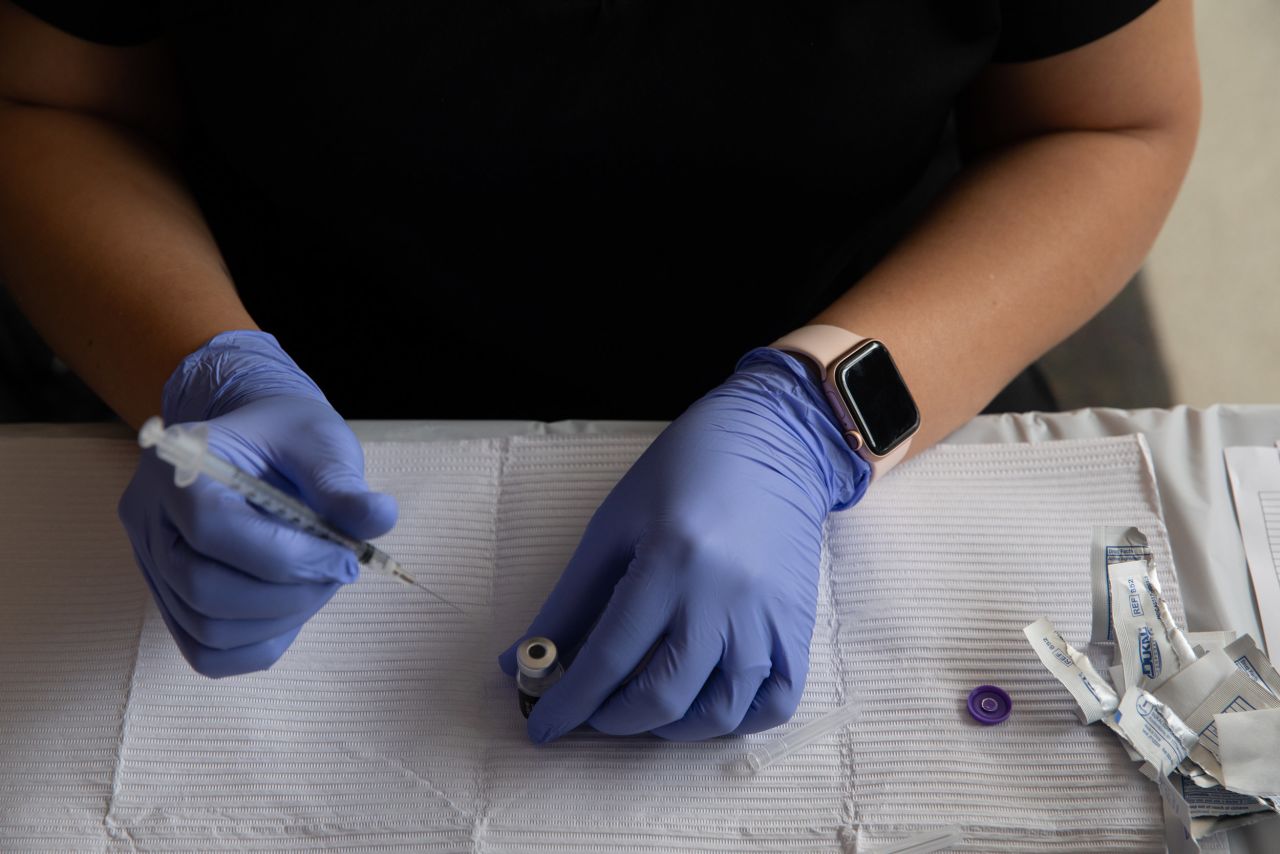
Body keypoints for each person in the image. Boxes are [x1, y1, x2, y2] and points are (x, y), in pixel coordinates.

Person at [0, 1, 1199, 744]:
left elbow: (1107, 122)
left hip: (876, 318)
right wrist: (198, 366)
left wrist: (817, 415)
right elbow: (50, 103)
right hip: (279, 334)